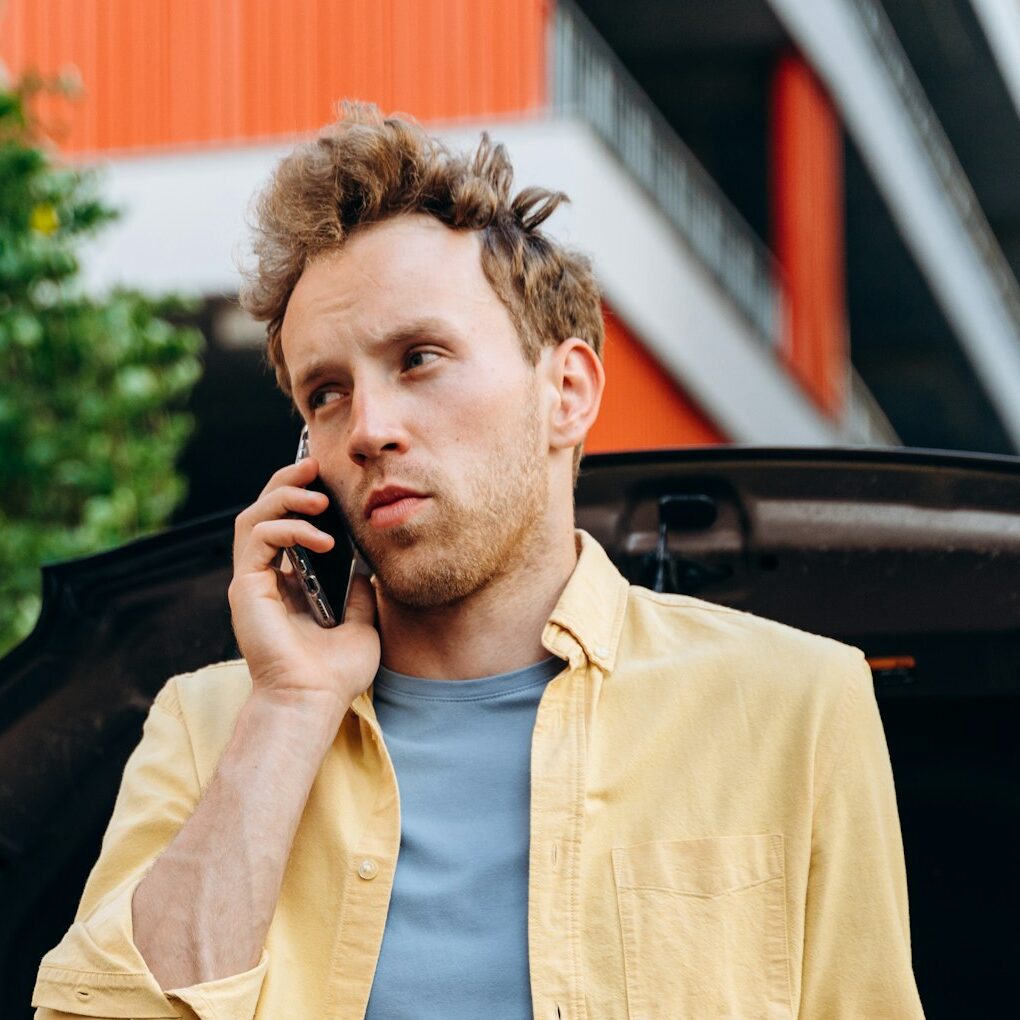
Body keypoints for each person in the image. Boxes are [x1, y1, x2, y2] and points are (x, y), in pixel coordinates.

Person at [32, 102, 925, 1020]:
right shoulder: (211, 726)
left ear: (567, 392)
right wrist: (291, 708)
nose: (369, 428)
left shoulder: (796, 702)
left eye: (419, 357)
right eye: (327, 393)